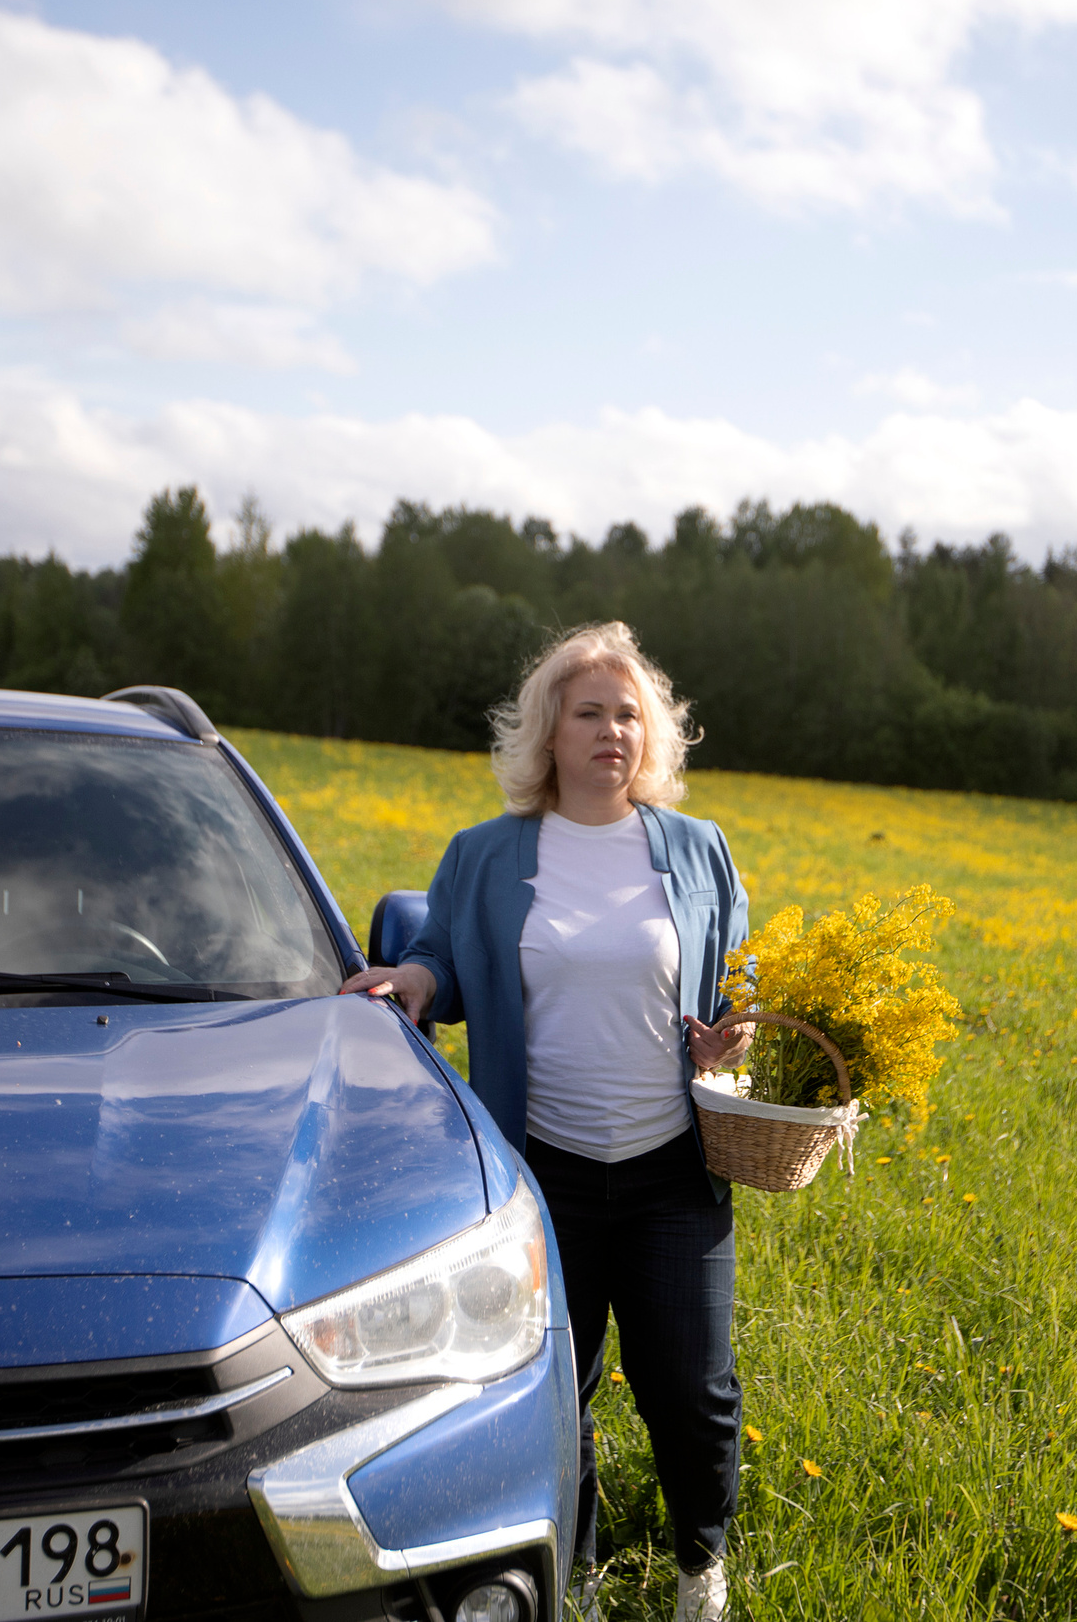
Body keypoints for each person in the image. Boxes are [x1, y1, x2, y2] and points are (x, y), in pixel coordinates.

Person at [339, 621, 751, 1622]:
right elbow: (441, 959)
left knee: (691, 1387)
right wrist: (411, 982)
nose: (612, 730)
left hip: (668, 1171)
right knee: (549, 1388)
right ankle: (581, 1556)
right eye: (589, 712)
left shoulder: (697, 852)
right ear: (548, 735)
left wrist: (727, 1039)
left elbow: (737, 976)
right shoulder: (483, 857)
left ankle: (703, 1558)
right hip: (538, 1175)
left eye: (628, 714)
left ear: (647, 736)